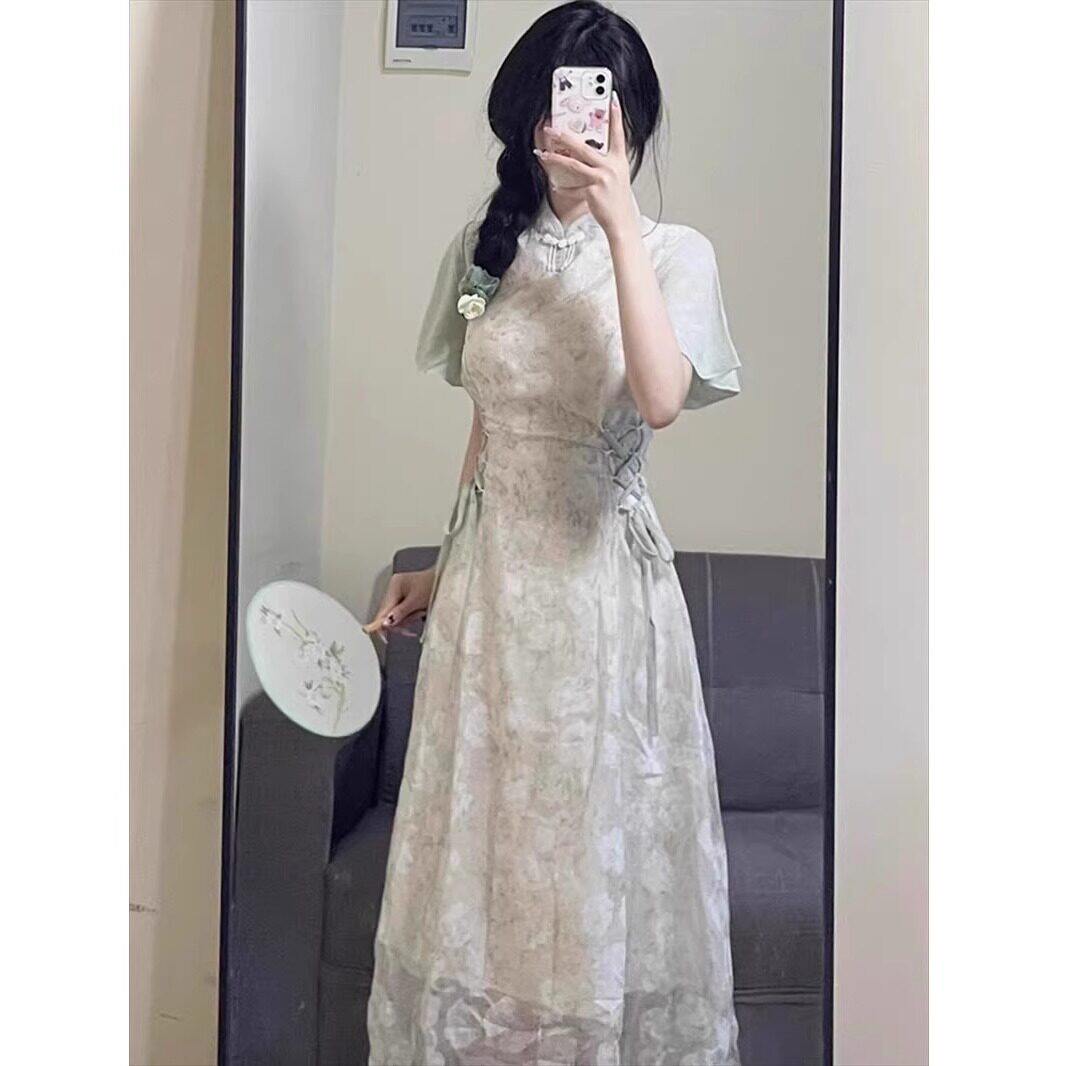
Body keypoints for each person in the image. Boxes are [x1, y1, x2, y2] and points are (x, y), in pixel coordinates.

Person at [364, 2, 743, 1062]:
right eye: (554, 103)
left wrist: (618, 225)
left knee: (585, 865)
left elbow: (659, 399)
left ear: (630, 123)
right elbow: (489, 423)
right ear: (526, 116)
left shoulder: (673, 253)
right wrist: (443, 563)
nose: (570, 127)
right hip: (491, 603)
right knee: (487, 862)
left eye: (594, 108)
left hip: (599, 602)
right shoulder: (483, 253)